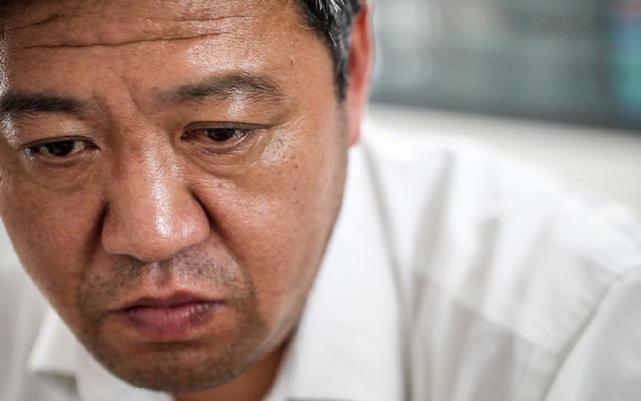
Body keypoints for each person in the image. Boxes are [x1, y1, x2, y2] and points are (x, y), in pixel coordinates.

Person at [0, 1, 640, 400]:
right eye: (57, 146)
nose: (152, 233)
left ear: (353, 71)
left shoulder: (581, 336)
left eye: (222, 133)